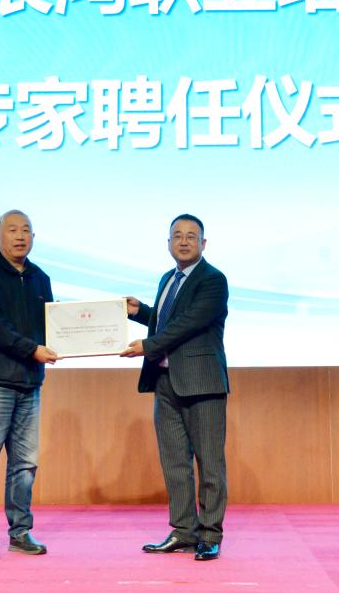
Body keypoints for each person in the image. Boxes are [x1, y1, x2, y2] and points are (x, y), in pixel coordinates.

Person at [120, 214, 229, 561]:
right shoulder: (168, 278)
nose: (183, 241)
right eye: (177, 236)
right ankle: (183, 531)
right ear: (168, 243)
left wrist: (148, 345)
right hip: (165, 380)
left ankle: (209, 535)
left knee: (209, 464)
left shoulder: (213, 280)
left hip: (202, 384)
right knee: (174, 463)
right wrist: (140, 312)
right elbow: (167, 319)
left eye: (191, 236)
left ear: (203, 244)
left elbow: (189, 323)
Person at [0, 210, 58, 560]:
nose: (20, 236)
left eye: (26, 230)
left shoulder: (40, 278)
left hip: (29, 384)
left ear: (34, 237)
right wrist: (31, 349)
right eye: (12, 230)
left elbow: (53, 324)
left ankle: (20, 532)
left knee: (25, 464)